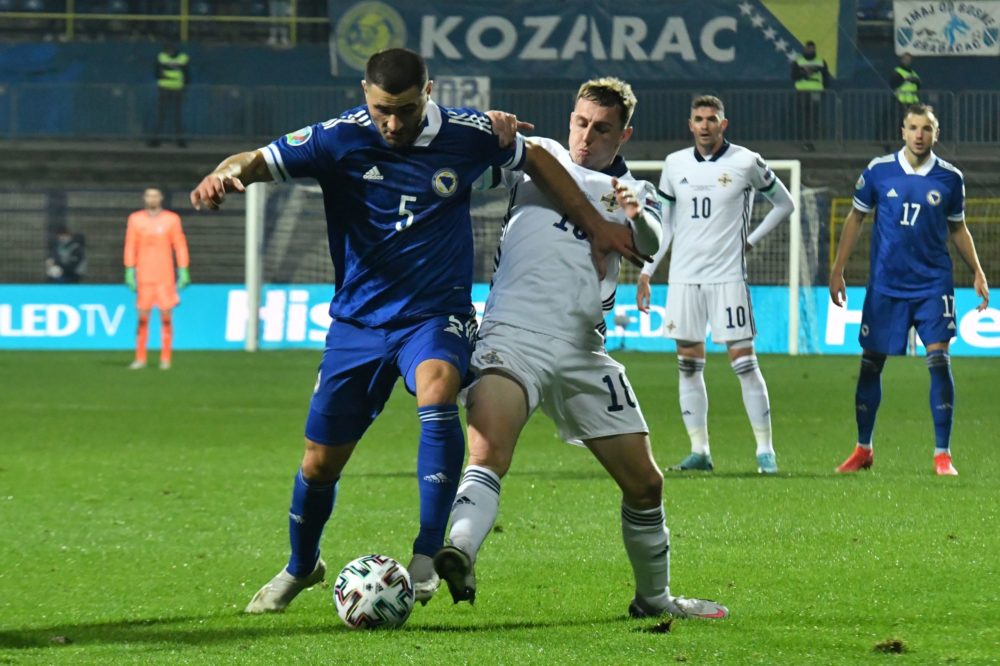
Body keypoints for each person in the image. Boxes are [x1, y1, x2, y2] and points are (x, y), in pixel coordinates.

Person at [188, 48, 643, 614]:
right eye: (382, 110)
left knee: (438, 388)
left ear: (430, 91)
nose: (393, 123)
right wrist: (221, 176)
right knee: (319, 463)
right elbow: (255, 159)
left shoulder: (468, 132)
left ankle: (429, 555)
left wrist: (597, 224)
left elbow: (539, 162)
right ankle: (301, 567)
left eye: (405, 109)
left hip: (435, 313)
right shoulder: (337, 138)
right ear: (364, 94)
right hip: (358, 323)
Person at [431, 78, 728, 621]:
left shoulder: (639, 190)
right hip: (511, 335)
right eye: (581, 122)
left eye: (602, 128)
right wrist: (488, 129)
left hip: (582, 352)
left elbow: (651, 246)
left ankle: (653, 599)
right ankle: (461, 552)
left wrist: (635, 213)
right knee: (488, 450)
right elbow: (465, 171)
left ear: (625, 134)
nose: (587, 136)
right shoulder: (537, 157)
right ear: (570, 118)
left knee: (646, 483)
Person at [636, 95, 795, 474]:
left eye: (712, 119)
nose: (705, 125)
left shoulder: (746, 161)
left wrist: (750, 241)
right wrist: (646, 270)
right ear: (689, 124)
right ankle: (700, 451)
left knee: (744, 363)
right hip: (684, 279)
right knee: (688, 366)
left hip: (727, 278)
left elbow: (784, 204)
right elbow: (667, 224)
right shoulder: (673, 165)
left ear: (724, 124)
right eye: (698, 119)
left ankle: (765, 451)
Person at [830, 104, 989, 476]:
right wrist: (837, 270)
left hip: (933, 283)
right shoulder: (878, 171)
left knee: (938, 361)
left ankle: (942, 455)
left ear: (936, 134)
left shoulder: (950, 178)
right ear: (902, 131)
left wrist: (978, 271)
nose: (920, 135)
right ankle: (863, 449)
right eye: (914, 127)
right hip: (886, 284)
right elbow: (855, 218)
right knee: (871, 365)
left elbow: (958, 228)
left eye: (927, 129)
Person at [124, 187, 190, 370]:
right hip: (144, 276)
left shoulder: (171, 219)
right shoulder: (135, 219)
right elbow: (130, 245)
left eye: (155, 195)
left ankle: (166, 358)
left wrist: (183, 269)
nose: (152, 198)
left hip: (165, 277)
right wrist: (129, 269)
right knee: (142, 319)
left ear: (161, 198)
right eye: (148, 195)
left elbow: (180, 244)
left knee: (166, 319)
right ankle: (140, 358)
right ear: (144, 198)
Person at [791, 41, 830, 151]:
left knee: (813, 118)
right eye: (807, 49)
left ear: (815, 49)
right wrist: (804, 73)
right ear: (804, 49)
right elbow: (793, 76)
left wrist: (824, 90)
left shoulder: (821, 61)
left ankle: (811, 141)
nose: (809, 51)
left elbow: (826, 77)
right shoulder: (798, 61)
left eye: (811, 49)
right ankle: (805, 141)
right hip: (802, 92)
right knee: (804, 118)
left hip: (816, 92)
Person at [149, 41, 189, 148]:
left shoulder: (182, 58)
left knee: (176, 116)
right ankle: (156, 139)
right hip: (165, 88)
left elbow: (186, 74)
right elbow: (157, 73)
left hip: (176, 88)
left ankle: (179, 140)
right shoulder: (161, 57)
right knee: (162, 115)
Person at [884, 53, 920, 146]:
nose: (907, 61)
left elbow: (918, 85)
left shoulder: (913, 72)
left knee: (910, 122)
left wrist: (915, 81)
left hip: (912, 101)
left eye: (909, 59)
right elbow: (893, 84)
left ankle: (907, 140)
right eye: (905, 59)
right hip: (900, 100)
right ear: (901, 60)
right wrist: (906, 80)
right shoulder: (897, 71)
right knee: (897, 121)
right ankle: (893, 141)